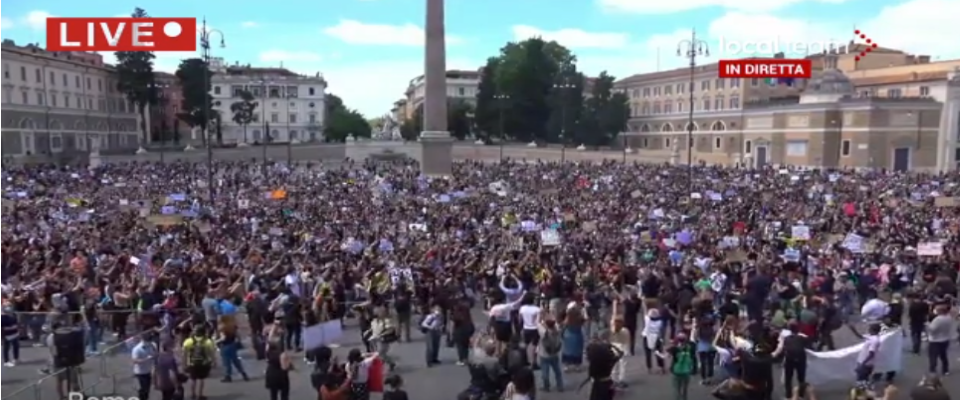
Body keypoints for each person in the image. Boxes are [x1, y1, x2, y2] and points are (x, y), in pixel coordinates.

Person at [773, 321, 809, 399]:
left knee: (788, 378)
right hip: (801, 359)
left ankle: (788, 395)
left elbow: (781, 348)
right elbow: (808, 346)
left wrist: (772, 355)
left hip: (790, 359)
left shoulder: (786, 338)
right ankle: (801, 395)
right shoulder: (803, 337)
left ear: (789, 329)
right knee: (801, 378)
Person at [657, 333, 695, 400]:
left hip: (676, 371)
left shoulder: (674, 349)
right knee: (684, 390)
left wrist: (657, 353)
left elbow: (664, 357)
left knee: (677, 390)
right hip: (686, 371)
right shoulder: (690, 347)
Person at [182, 326, 216, 400]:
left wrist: (184, 364)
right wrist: (214, 362)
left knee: (193, 379)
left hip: (192, 363)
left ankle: (192, 394)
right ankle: (200, 395)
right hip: (204, 363)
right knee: (201, 379)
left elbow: (184, 353)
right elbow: (211, 353)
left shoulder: (188, 341)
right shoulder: (207, 341)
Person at [925, 305, 953, 375]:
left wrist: (927, 324)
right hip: (945, 339)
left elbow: (932, 330)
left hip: (935, 340)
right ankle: (945, 370)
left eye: (937, 310)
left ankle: (932, 370)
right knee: (943, 355)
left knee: (933, 356)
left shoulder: (938, 319)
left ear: (940, 311)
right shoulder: (949, 317)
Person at [132, 332, 158, 400]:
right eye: (147, 340)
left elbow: (155, 355)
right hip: (140, 374)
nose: (149, 342)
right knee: (142, 392)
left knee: (147, 391)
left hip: (148, 372)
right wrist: (146, 359)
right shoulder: (137, 349)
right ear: (143, 340)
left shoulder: (152, 345)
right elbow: (135, 361)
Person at [642, 308, 665, 373]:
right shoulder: (660, 322)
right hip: (656, 337)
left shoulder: (647, 320)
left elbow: (645, 311)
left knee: (648, 353)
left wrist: (643, 302)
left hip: (647, 337)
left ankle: (649, 368)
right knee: (658, 352)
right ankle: (661, 367)